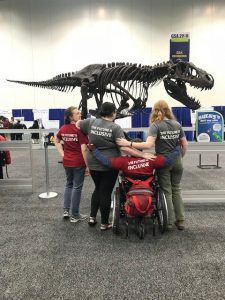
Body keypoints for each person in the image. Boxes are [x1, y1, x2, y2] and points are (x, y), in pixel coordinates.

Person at [117, 100, 188, 230]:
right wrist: (180, 158)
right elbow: (184, 145)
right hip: (177, 160)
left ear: (155, 111)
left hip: (163, 160)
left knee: (166, 190)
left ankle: (170, 221)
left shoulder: (156, 125)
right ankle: (181, 220)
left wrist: (129, 144)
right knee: (176, 189)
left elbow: (148, 145)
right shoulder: (177, 124)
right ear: (168, 110)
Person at [78, 102, 125, 231]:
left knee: (98, 188)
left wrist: (87, 138)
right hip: (109, 164)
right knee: (105, 192)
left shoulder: (91, 122)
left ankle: (92, 217)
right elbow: (122, 146)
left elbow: (77, 125)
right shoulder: (115, 128)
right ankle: (104, 223)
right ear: (113, 113)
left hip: (93, 162)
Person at [55, 106, 88, 223]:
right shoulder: (80, 130)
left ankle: (66, 210)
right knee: (77, 187)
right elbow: (84, 149)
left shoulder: (63, 128)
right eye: (77, 113)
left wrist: (63, 155)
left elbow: (56, 140)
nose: (80, 115)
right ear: (70, 117)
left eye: (79, 113)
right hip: (78, 162)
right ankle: (74, 215)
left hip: (67, 162)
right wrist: (88, 166)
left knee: (69, 184)